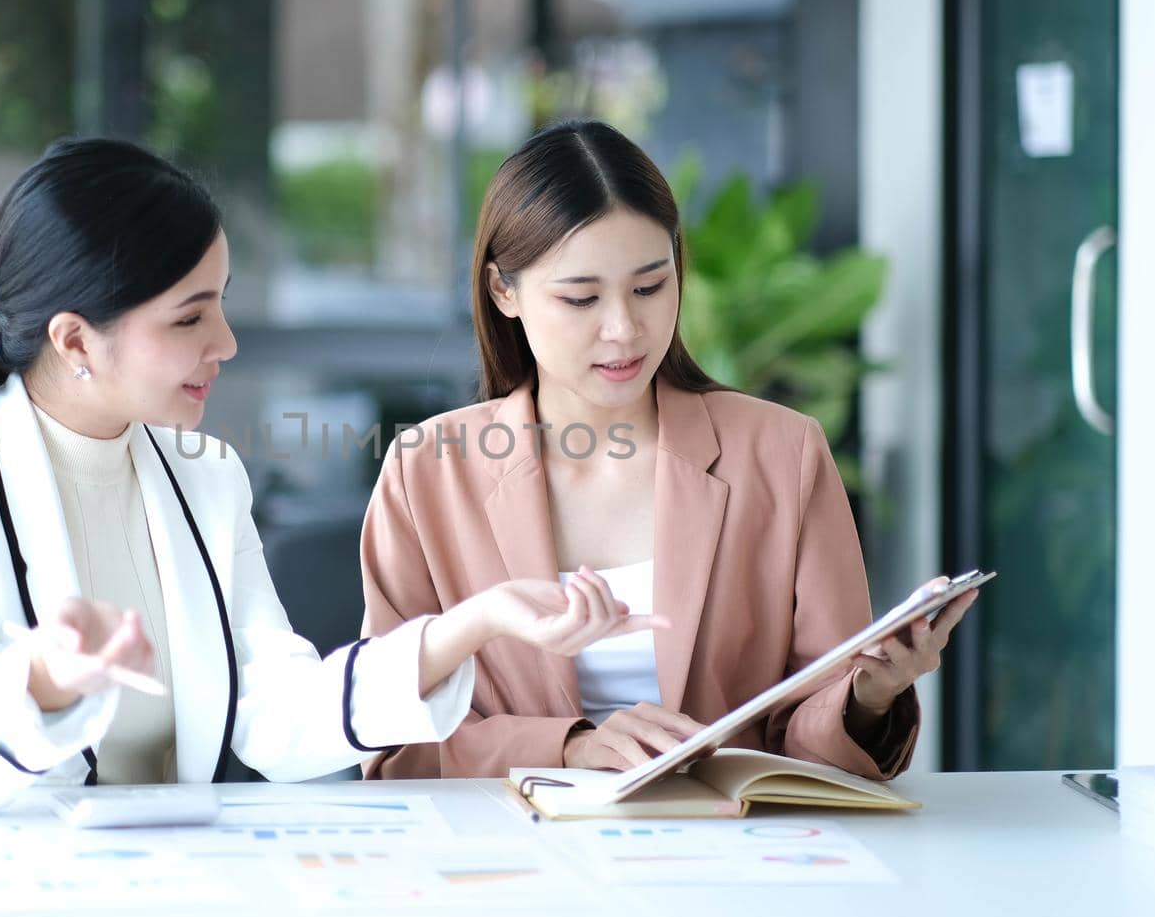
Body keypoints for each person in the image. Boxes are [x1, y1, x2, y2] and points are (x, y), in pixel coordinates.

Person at [0, 137, 661, 814]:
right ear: (76, 341)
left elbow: (274, 712)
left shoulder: (205, 477)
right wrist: (48, 680)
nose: (226, 342)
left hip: (146, 890)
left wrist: (474, 624)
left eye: (222, 303)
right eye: (190, 317)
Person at [360, 120, 978, 781]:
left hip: (733, 854)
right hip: (516, 862)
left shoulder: (782, 454)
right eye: (581, 297)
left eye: (650, 287)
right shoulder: (427, 471)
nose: (625, 329)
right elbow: (392, 741)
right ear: (502, 292)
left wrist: (871, 693)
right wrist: (567, 748)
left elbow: (808, 738)